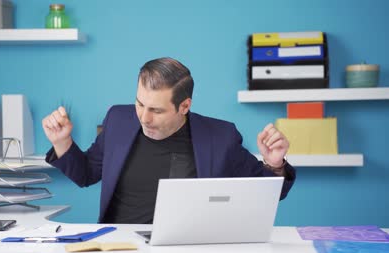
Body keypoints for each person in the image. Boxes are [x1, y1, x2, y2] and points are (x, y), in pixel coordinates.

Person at [42, 57, 296, 224]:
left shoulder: (220, 137)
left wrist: (274, 164)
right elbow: (87, 174)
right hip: (120, 247)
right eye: (140, 104)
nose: (144, 117)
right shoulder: (118, 119)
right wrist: (62, 142)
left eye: (157, 110)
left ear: (184, 105)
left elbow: (267, 195)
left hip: (190, 251)